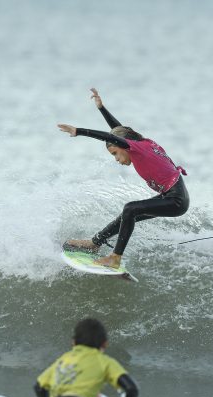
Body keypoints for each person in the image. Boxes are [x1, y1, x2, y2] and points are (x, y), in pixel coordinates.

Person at [58, 88, 189, 268]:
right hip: (171, 195)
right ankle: (94, 243)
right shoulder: (142, 144)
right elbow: (120, 132)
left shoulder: (139, 148)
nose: (117, 160)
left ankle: (115, 258)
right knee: (127, 215)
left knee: (130, 208)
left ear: (125, 147)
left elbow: (114, 136)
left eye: (115, 154)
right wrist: (102, 108)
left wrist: (79, 131)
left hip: (176, 200)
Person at [33, 318, 138, 397]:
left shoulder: (64, 359)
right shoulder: (104, 361)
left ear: (73, 342)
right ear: (105, 343)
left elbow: (39, 386)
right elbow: (131, 388)